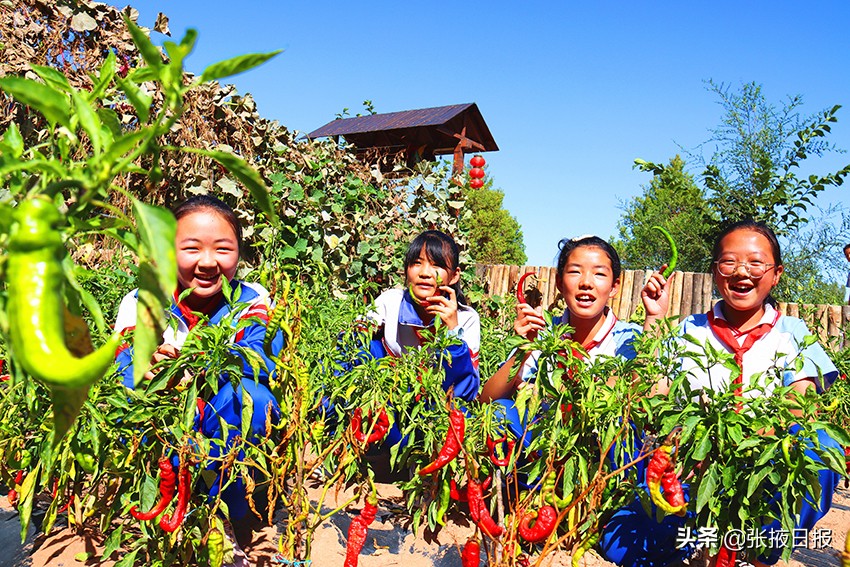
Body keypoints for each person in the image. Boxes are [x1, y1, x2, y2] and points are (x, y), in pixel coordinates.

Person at [601, 219, 841, 567]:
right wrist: (654, 318)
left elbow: (799, 406)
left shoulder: (792, 333)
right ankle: (701, 542)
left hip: (760, 475)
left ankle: (757, 551)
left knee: (821, 445)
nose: (742, 271)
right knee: (618, 541)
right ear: (715, 272)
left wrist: (729, 446)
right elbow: (649, 396)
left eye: (756, 263)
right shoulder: (689, 330)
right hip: (690, 475)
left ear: (776, 274)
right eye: (729, 262)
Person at [114, 194, 283, 523]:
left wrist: (192, 366)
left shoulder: (252, 300)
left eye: (223, 249)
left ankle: (226, 510)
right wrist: (145, 364)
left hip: (221, 409)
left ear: (239, 253)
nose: (208, 262)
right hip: (167, 413)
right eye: (191, 248)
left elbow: (260, 357)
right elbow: (124, 365)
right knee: (131, 400)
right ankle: (164, 502)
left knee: (253, 399)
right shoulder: (142, 301)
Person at [479, 235, 640, 446]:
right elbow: (488, 400)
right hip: (542, 445)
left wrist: (544, 393)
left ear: (614, 286)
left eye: (599, 273)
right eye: (575, 271)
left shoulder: (629, 338)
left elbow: (641, 402)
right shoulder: (543, 332)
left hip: (601, 450)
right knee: (500, 412)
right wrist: (524, 348)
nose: (586, 283)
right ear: (559, 283)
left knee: (623, 427)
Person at [336, 230, 480, 446]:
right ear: (406, 269)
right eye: (417, 263)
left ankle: (418, 451)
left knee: (455, 416)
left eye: (437, 265)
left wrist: (452, 330)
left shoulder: (466, 318)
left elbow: (465, 389)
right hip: (392, 397)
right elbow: (349, 343)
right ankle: (342, 433)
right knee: (362, 347)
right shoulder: (391, 301)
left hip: (435, 407)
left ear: (454, 275)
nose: (425, 273)